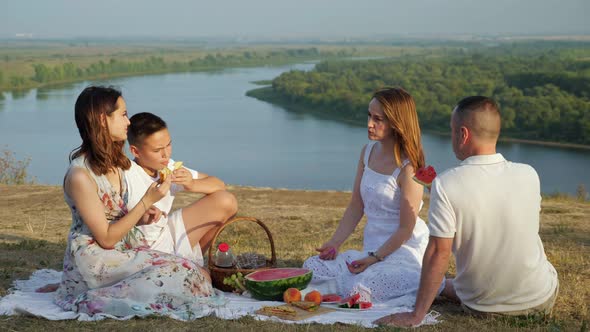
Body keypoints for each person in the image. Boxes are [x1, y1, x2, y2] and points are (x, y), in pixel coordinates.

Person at [376, 96, 559, 327]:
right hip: (540, 299)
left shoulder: (447, 184)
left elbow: (437, 254)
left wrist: (416, 315)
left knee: (445, 282)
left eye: (452, 131)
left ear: (463, 135)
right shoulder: (529, 174)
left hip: (482, 307)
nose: (451, 137)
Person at [54, 86, 220, 318]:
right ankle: (90, 292)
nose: (129, 122)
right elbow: (105, 238)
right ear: (103, 120)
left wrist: (141, 219)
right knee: (188, 274)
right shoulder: (80, 176)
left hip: (122, 250)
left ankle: (122, 289)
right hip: (96, 259)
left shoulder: (116, 163)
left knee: (199, 274)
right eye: (123, 114)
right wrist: (146, 201)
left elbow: (113, 221)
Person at [303, 87, 432, 303]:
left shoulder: (409, 169)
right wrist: (334, 243)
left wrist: (374, 258)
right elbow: (356, 205)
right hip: (371, 250)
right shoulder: (368, 152)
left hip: (401, 253)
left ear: (396, 123)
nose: (369, 124)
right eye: (369, 115)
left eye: (378, 119)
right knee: (313, 266)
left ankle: (428, 281)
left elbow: (405, 229)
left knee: (362, 289)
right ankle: (342, 283)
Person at [125, 112, 238, 267]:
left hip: (166, 232)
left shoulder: (168, 167)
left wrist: (192, 184)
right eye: (157, 150)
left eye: (169, 145)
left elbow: (219, 185)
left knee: (226, 201)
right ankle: (189, 267)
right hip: (143, 249)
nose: (166, 154)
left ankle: (195, 264)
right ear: (136, 151)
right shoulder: (127, 175)